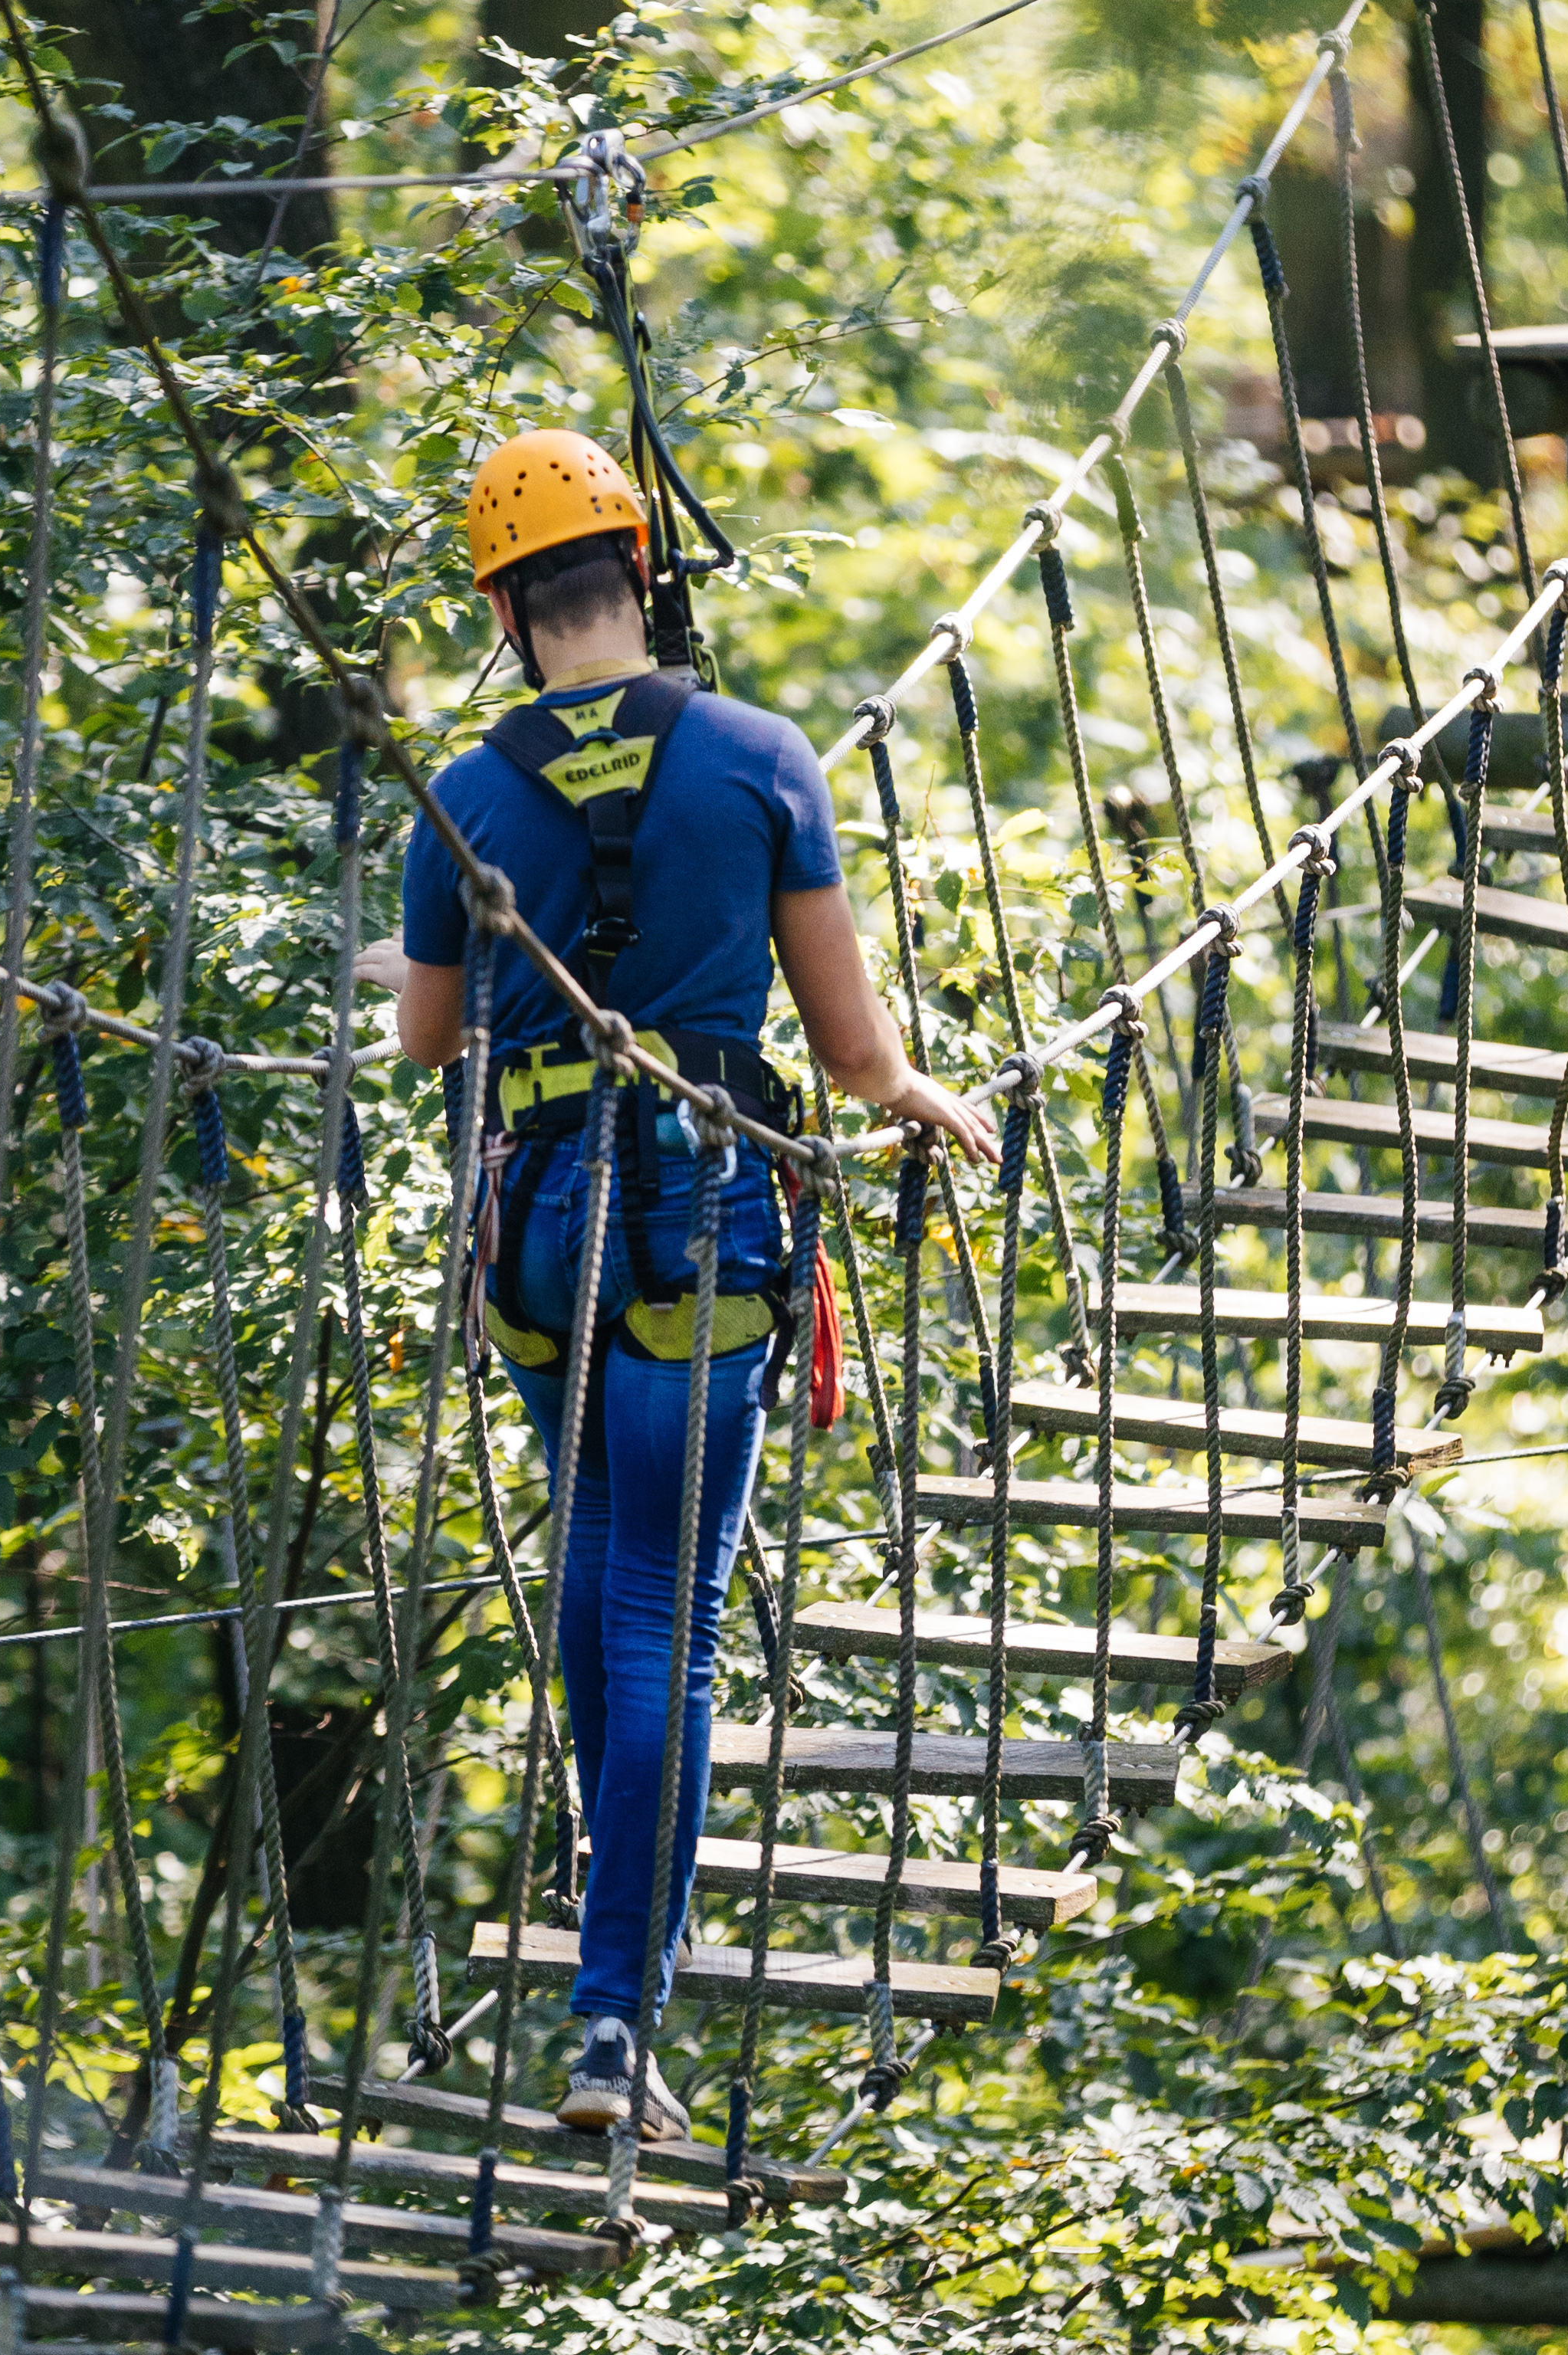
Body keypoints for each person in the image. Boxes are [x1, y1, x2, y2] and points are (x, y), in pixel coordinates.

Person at [357, 428, 993, 2139]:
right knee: (661, 1622)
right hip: (707, 1218)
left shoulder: (462, 797)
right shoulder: (755, 755)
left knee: (594, 1585)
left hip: (541, 1231)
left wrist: (416, 947)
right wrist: (918, 1093)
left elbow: (430, 1036)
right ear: (641, 572)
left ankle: (608, 1945)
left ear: (503, 611)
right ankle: (611, 2017)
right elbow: (853, 1053)